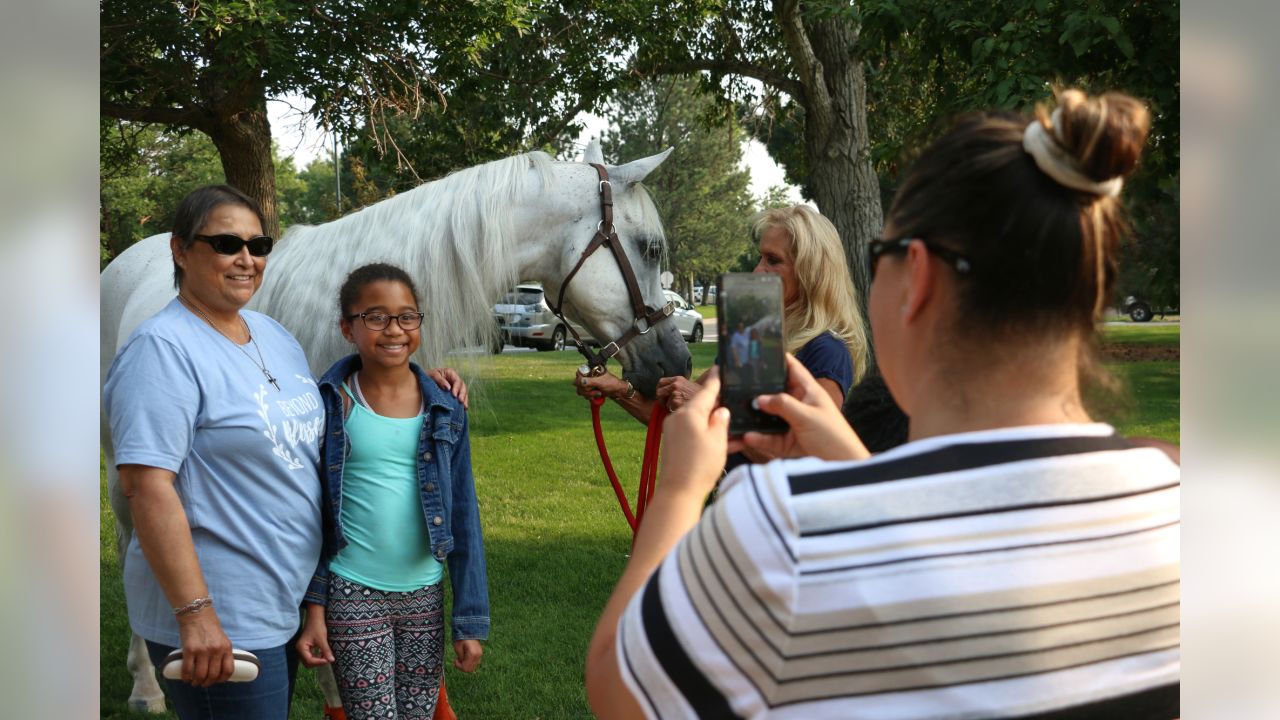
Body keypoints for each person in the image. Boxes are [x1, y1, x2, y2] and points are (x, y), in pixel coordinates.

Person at [586, 89, 1179, 718]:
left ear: (916, 277)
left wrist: (680, 490)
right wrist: (849, 460)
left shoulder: (782, 530)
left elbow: (620, 687)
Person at [103, 185, 470, 720]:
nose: (246, 258)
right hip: (222, 615)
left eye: (258, 243)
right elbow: (146, 486)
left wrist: (419, 383)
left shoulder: (271, 335)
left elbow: (335, 408)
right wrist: (196, 614)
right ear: (180, 251)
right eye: (226, 242)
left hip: (283, 601)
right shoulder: (162, 350)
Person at [295, 263, 489, 719]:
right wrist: (316, 609)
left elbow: (463, 513)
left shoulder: (445, 407)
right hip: (353, 590)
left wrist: (469, 619)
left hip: (424, 593)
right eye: (375, 317)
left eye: (407, 316)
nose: (393, 329)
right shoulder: (329, 405)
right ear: (348, 328)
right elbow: (315, 515)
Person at [575, 205, 868, 445]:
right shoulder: (752, 337)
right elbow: (669, 417)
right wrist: (616, 388)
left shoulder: (827, 350)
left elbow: (810, 448)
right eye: (760, 257)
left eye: (773, 260)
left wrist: (707, 403)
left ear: (811, 272)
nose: (757, 270)